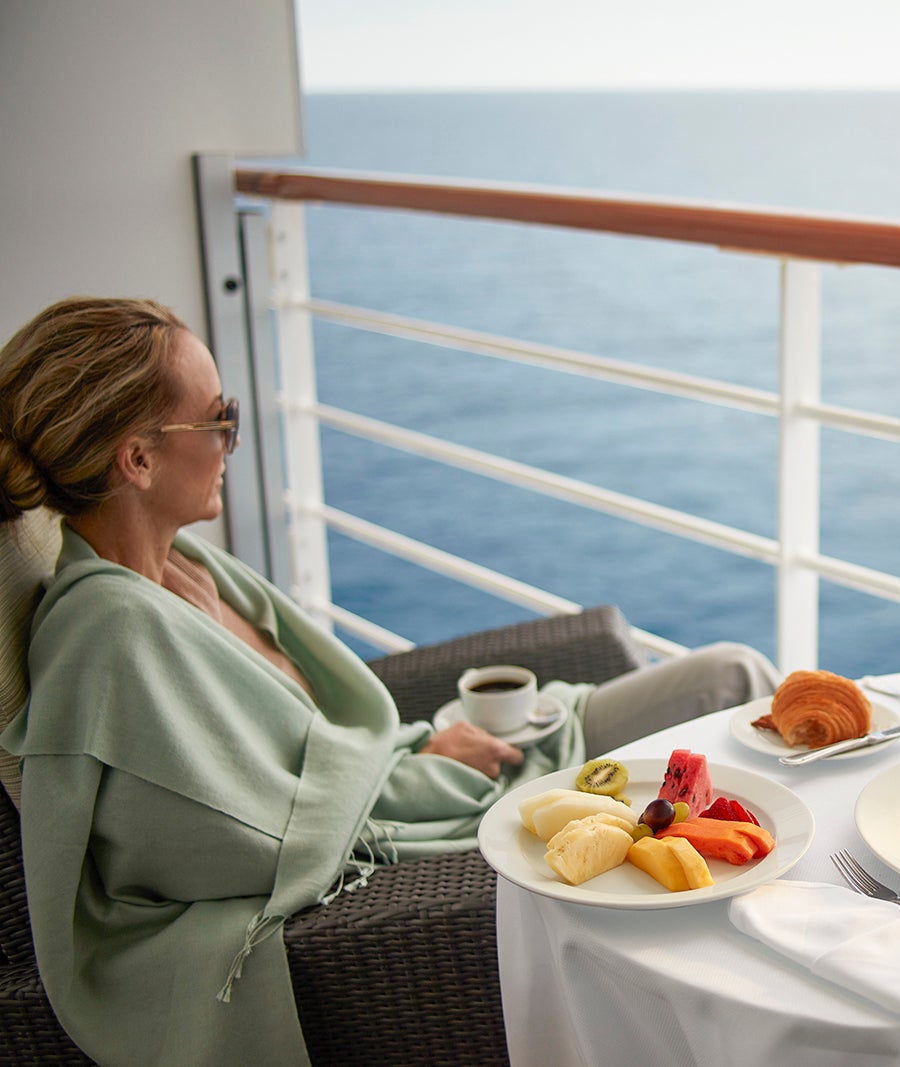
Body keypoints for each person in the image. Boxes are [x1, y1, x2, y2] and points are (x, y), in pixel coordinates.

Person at [0, 296, 780, 1067]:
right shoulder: (106, 634)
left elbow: (304, 738)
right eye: (218, 419)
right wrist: (418, 771)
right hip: (421, 809)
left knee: (733, 674)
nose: (232, 440)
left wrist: (419, 750)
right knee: (733, 701)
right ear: (136, 459)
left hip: (442, 760)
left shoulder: (186, 566)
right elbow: (215, 841)